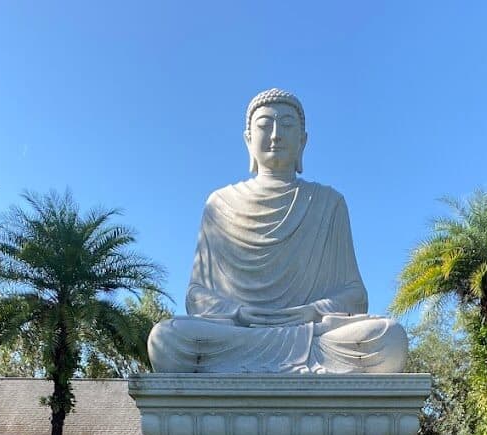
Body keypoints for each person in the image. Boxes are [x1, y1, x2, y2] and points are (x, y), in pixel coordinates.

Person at [148, 89, 408, 374]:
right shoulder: (219, 204)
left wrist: (312, 310)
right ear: (248, 139)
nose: (275, 135)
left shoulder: (328, 203)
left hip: (313, 336)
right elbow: (196, 295)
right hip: (240, 335)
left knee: (389, 337)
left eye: (286, 125)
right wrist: (237, 313)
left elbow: (355, 295)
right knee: (166, 338)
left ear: (303, 141)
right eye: (264, 125)